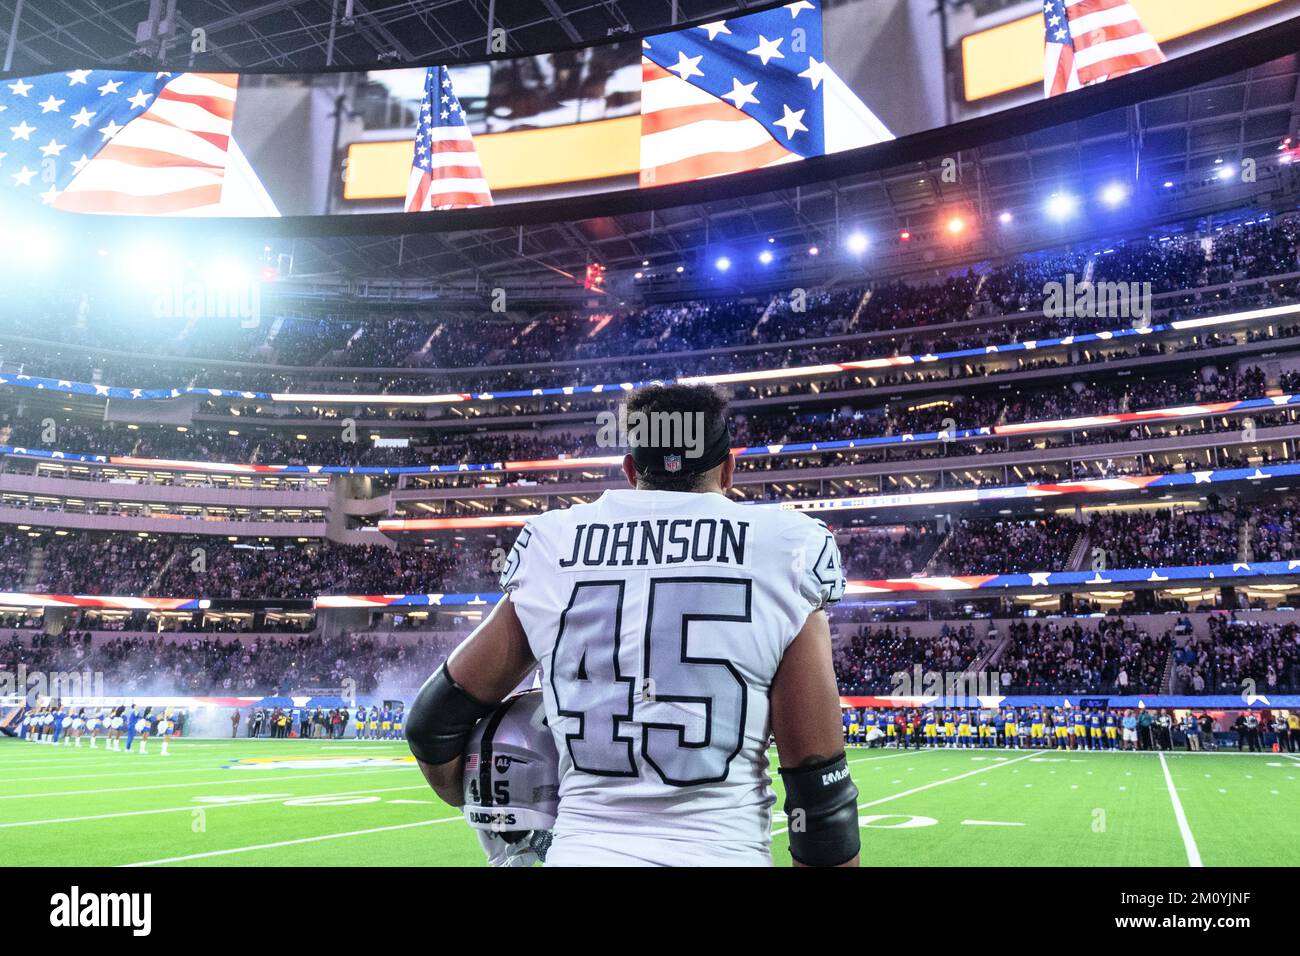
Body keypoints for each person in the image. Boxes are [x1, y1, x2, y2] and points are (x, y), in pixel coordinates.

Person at [406, 384, 857, 867]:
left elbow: (432, 723)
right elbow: (817, 784)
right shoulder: (786, 548)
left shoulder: (553, 545)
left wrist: (470, 797)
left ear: (629, 470)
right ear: (728, 470)